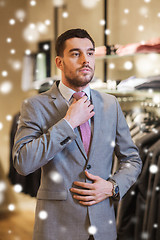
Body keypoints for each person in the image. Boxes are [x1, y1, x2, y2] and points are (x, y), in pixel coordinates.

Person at [13, 28, 142, 240]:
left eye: (90, 53)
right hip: (57, 227)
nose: (85, 60)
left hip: (103, 227)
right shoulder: (35, 105)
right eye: (76, 54)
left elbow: (132, 160)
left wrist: (113, 187)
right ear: (59, 62)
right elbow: (23, 163)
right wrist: (68, 122)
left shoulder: (111, 104)